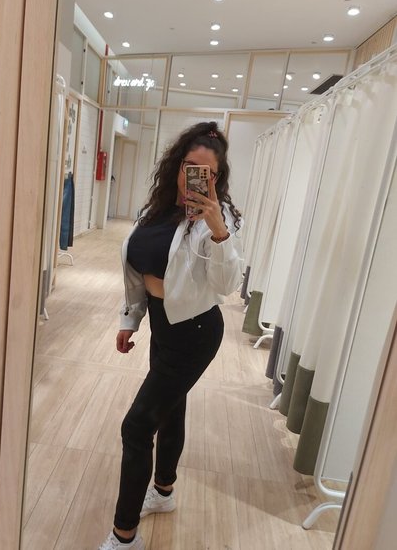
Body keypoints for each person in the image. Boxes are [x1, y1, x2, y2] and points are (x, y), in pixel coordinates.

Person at [98, 121, 244, 550]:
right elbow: (138, 270)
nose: (194, 177)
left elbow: (226, 285)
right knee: (170, 409)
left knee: (136, 426)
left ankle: (124, 537)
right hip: (162, 325)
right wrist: (130, 321)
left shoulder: (219, 219)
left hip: (196, 333)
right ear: (177, 166)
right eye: (189, 166)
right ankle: (163, 492)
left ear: (217, 177)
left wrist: (218, 229)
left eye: (206, 172)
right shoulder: (156, 209)